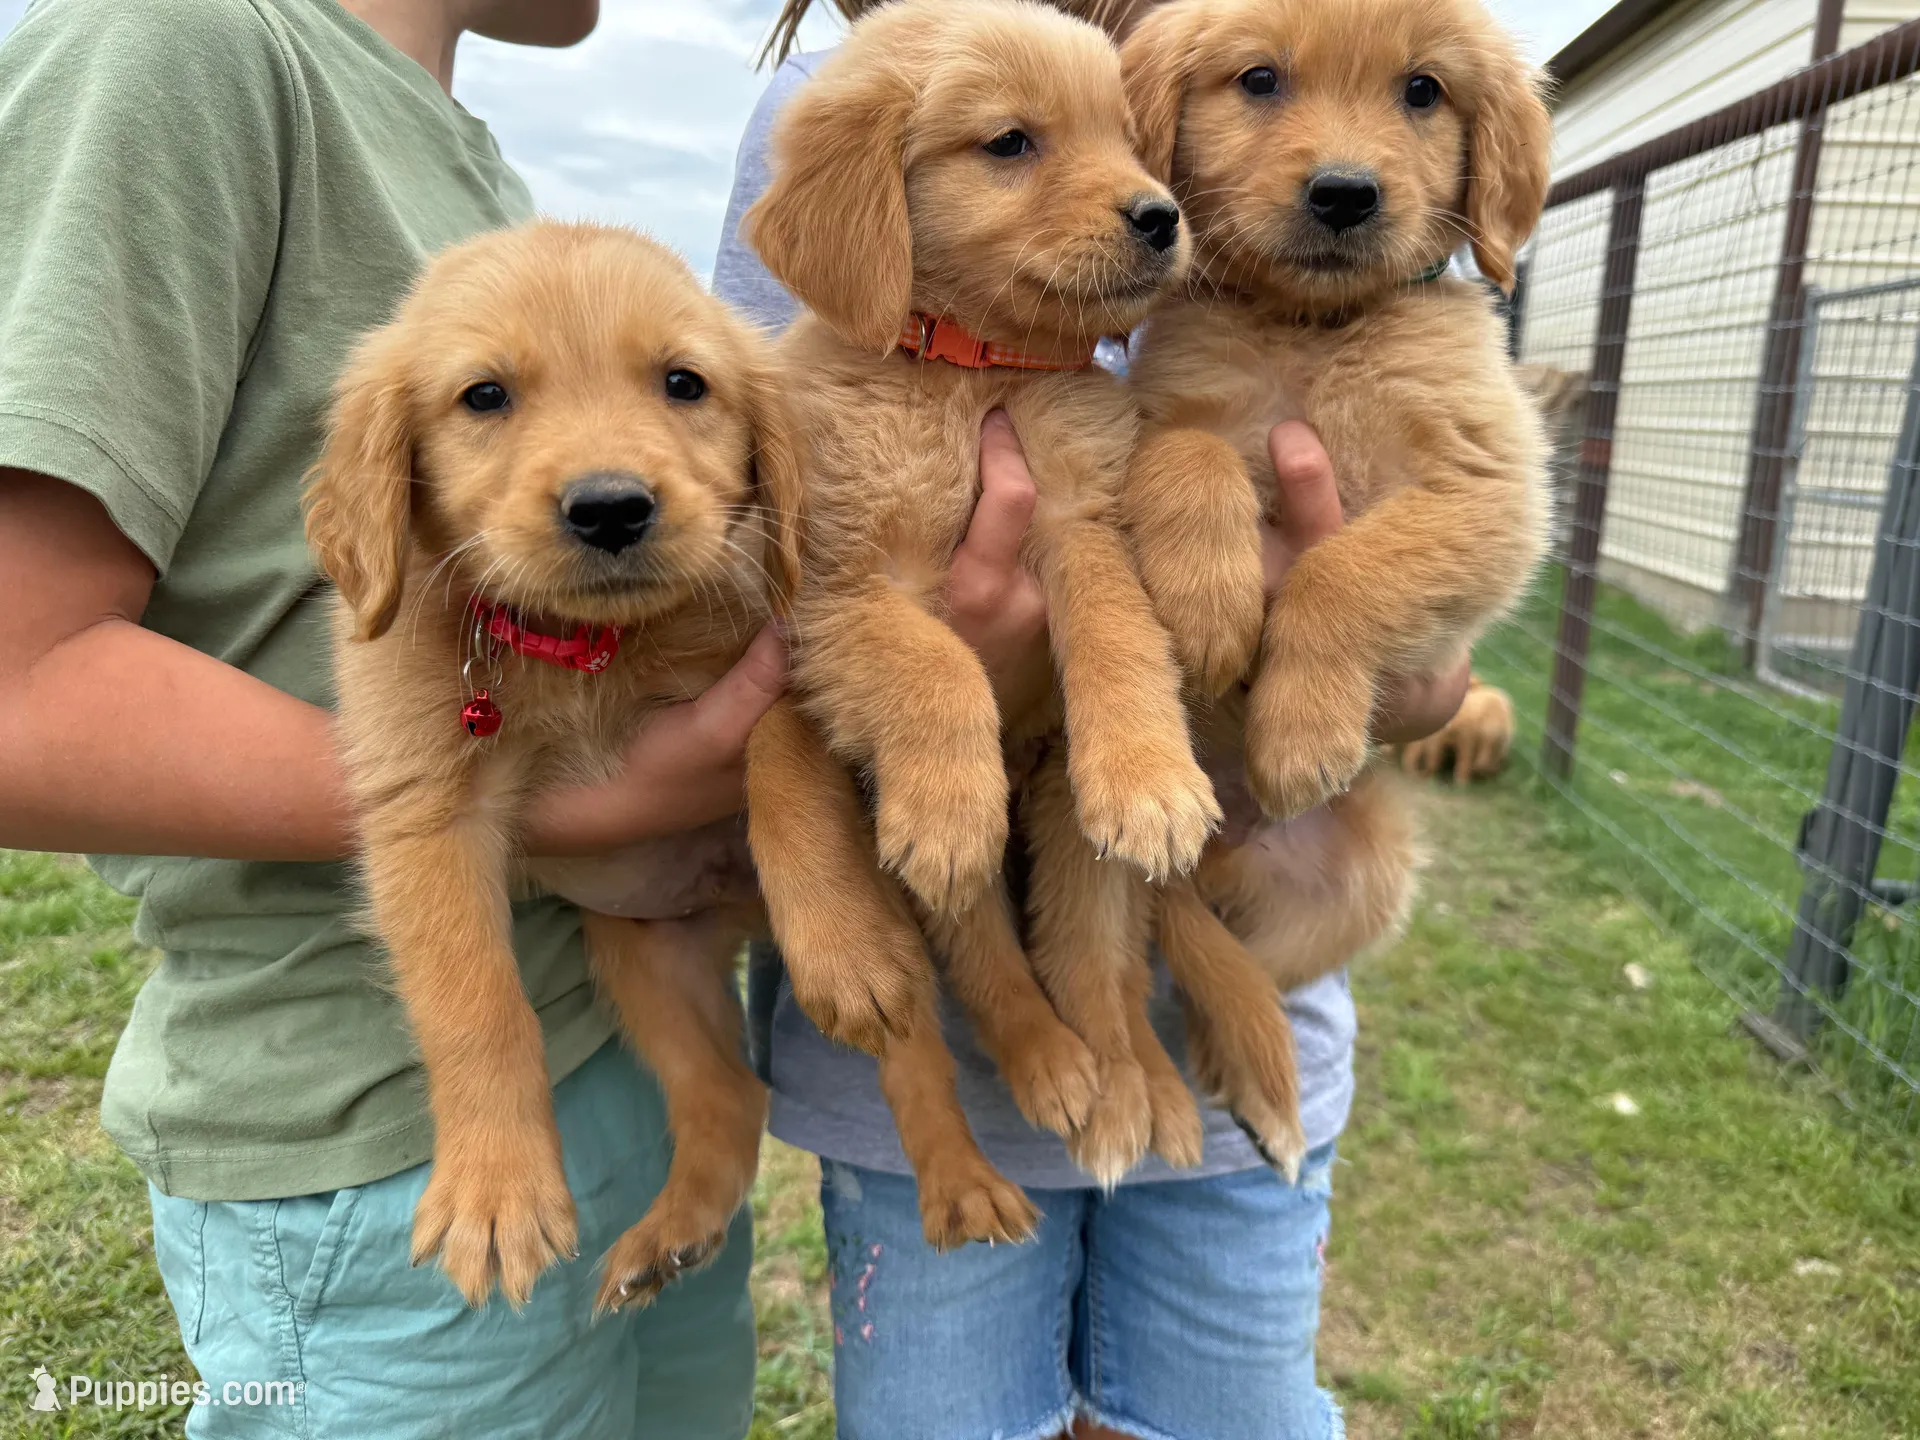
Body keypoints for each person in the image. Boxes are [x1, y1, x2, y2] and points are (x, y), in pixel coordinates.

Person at [716, 4, 1469, 1439]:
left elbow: (1408, 623)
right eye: (1013, 148)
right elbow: (773, 606)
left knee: (1231, 1407)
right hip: (921, 1051)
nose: (1140, 195)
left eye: (1141, 153)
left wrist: (1354, 640)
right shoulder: (843, 122)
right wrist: (960, 690)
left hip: (1226, 950)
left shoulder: (1287, 63)